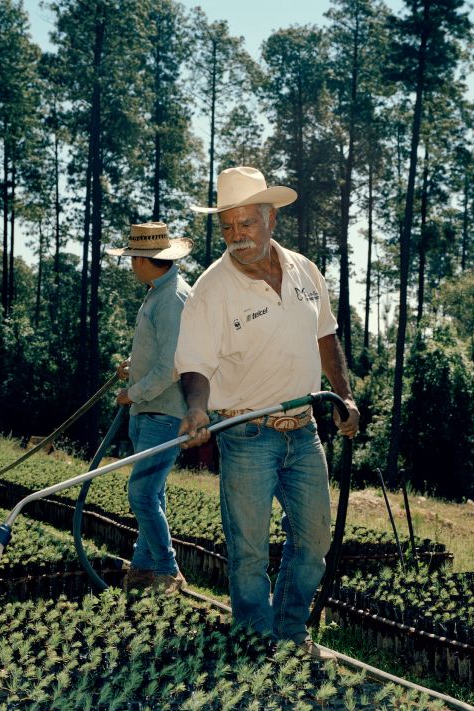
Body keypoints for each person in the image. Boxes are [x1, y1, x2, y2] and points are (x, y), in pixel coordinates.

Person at [175, 166, 360, 658]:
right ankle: (255, 641)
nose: (237, 236)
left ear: (270, 217)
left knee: (315, 540)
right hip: (246, 434)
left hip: (304, 433)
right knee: (250, 551)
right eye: (227, 226)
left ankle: (292, 630)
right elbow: (194, 364)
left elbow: (326, 336)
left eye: (246, 224)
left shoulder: (304, 270)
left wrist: (344, 395)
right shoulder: (211, 290)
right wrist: (197, 410)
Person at [107, 221, 193, 593]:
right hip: (149, 409)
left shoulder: (172, 298)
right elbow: (157, 351)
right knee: (151, 494)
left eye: (131, 258)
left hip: (162, 410)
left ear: (144, 259)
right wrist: (132, 366)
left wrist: (133, 392)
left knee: (141, 494)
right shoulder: (157, 293)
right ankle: (142, 568)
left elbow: (171, 366)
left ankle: (168, 569)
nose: (129, 264)